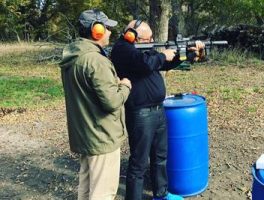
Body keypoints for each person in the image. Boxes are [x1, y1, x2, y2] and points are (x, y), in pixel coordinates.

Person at [111, 20, 204, 200]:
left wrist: (188, 55)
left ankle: (161, 194)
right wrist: (163, 55)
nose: (151, 40)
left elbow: (162, 64)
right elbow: (146, 64)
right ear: (132, 35)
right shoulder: (122, 49)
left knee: (160, 157)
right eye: (148, 39)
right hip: (140, 113)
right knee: (138, 163)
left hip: (158, 110)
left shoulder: (142, 48)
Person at [59, 9, 131, 200]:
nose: (109, 32)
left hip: (86, 135)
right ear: (96, 30)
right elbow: (112, 102)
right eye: (106, 28)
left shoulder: (74, 56)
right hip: (101, 137)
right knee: (103, 193)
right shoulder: (96, 61)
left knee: (86, 187)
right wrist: (125, 86)